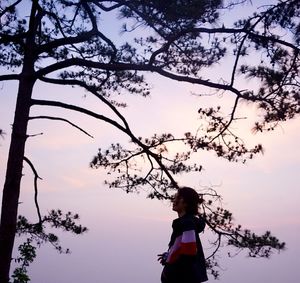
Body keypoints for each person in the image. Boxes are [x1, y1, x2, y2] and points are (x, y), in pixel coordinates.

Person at [158, 187, 208, 283]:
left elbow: (189, 254)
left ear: (185, 203)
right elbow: (183, 250)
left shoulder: (187, 223)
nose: (174, 200)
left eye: (177, 197)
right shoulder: (184, 223)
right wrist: (169, 256)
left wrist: (171, 266)